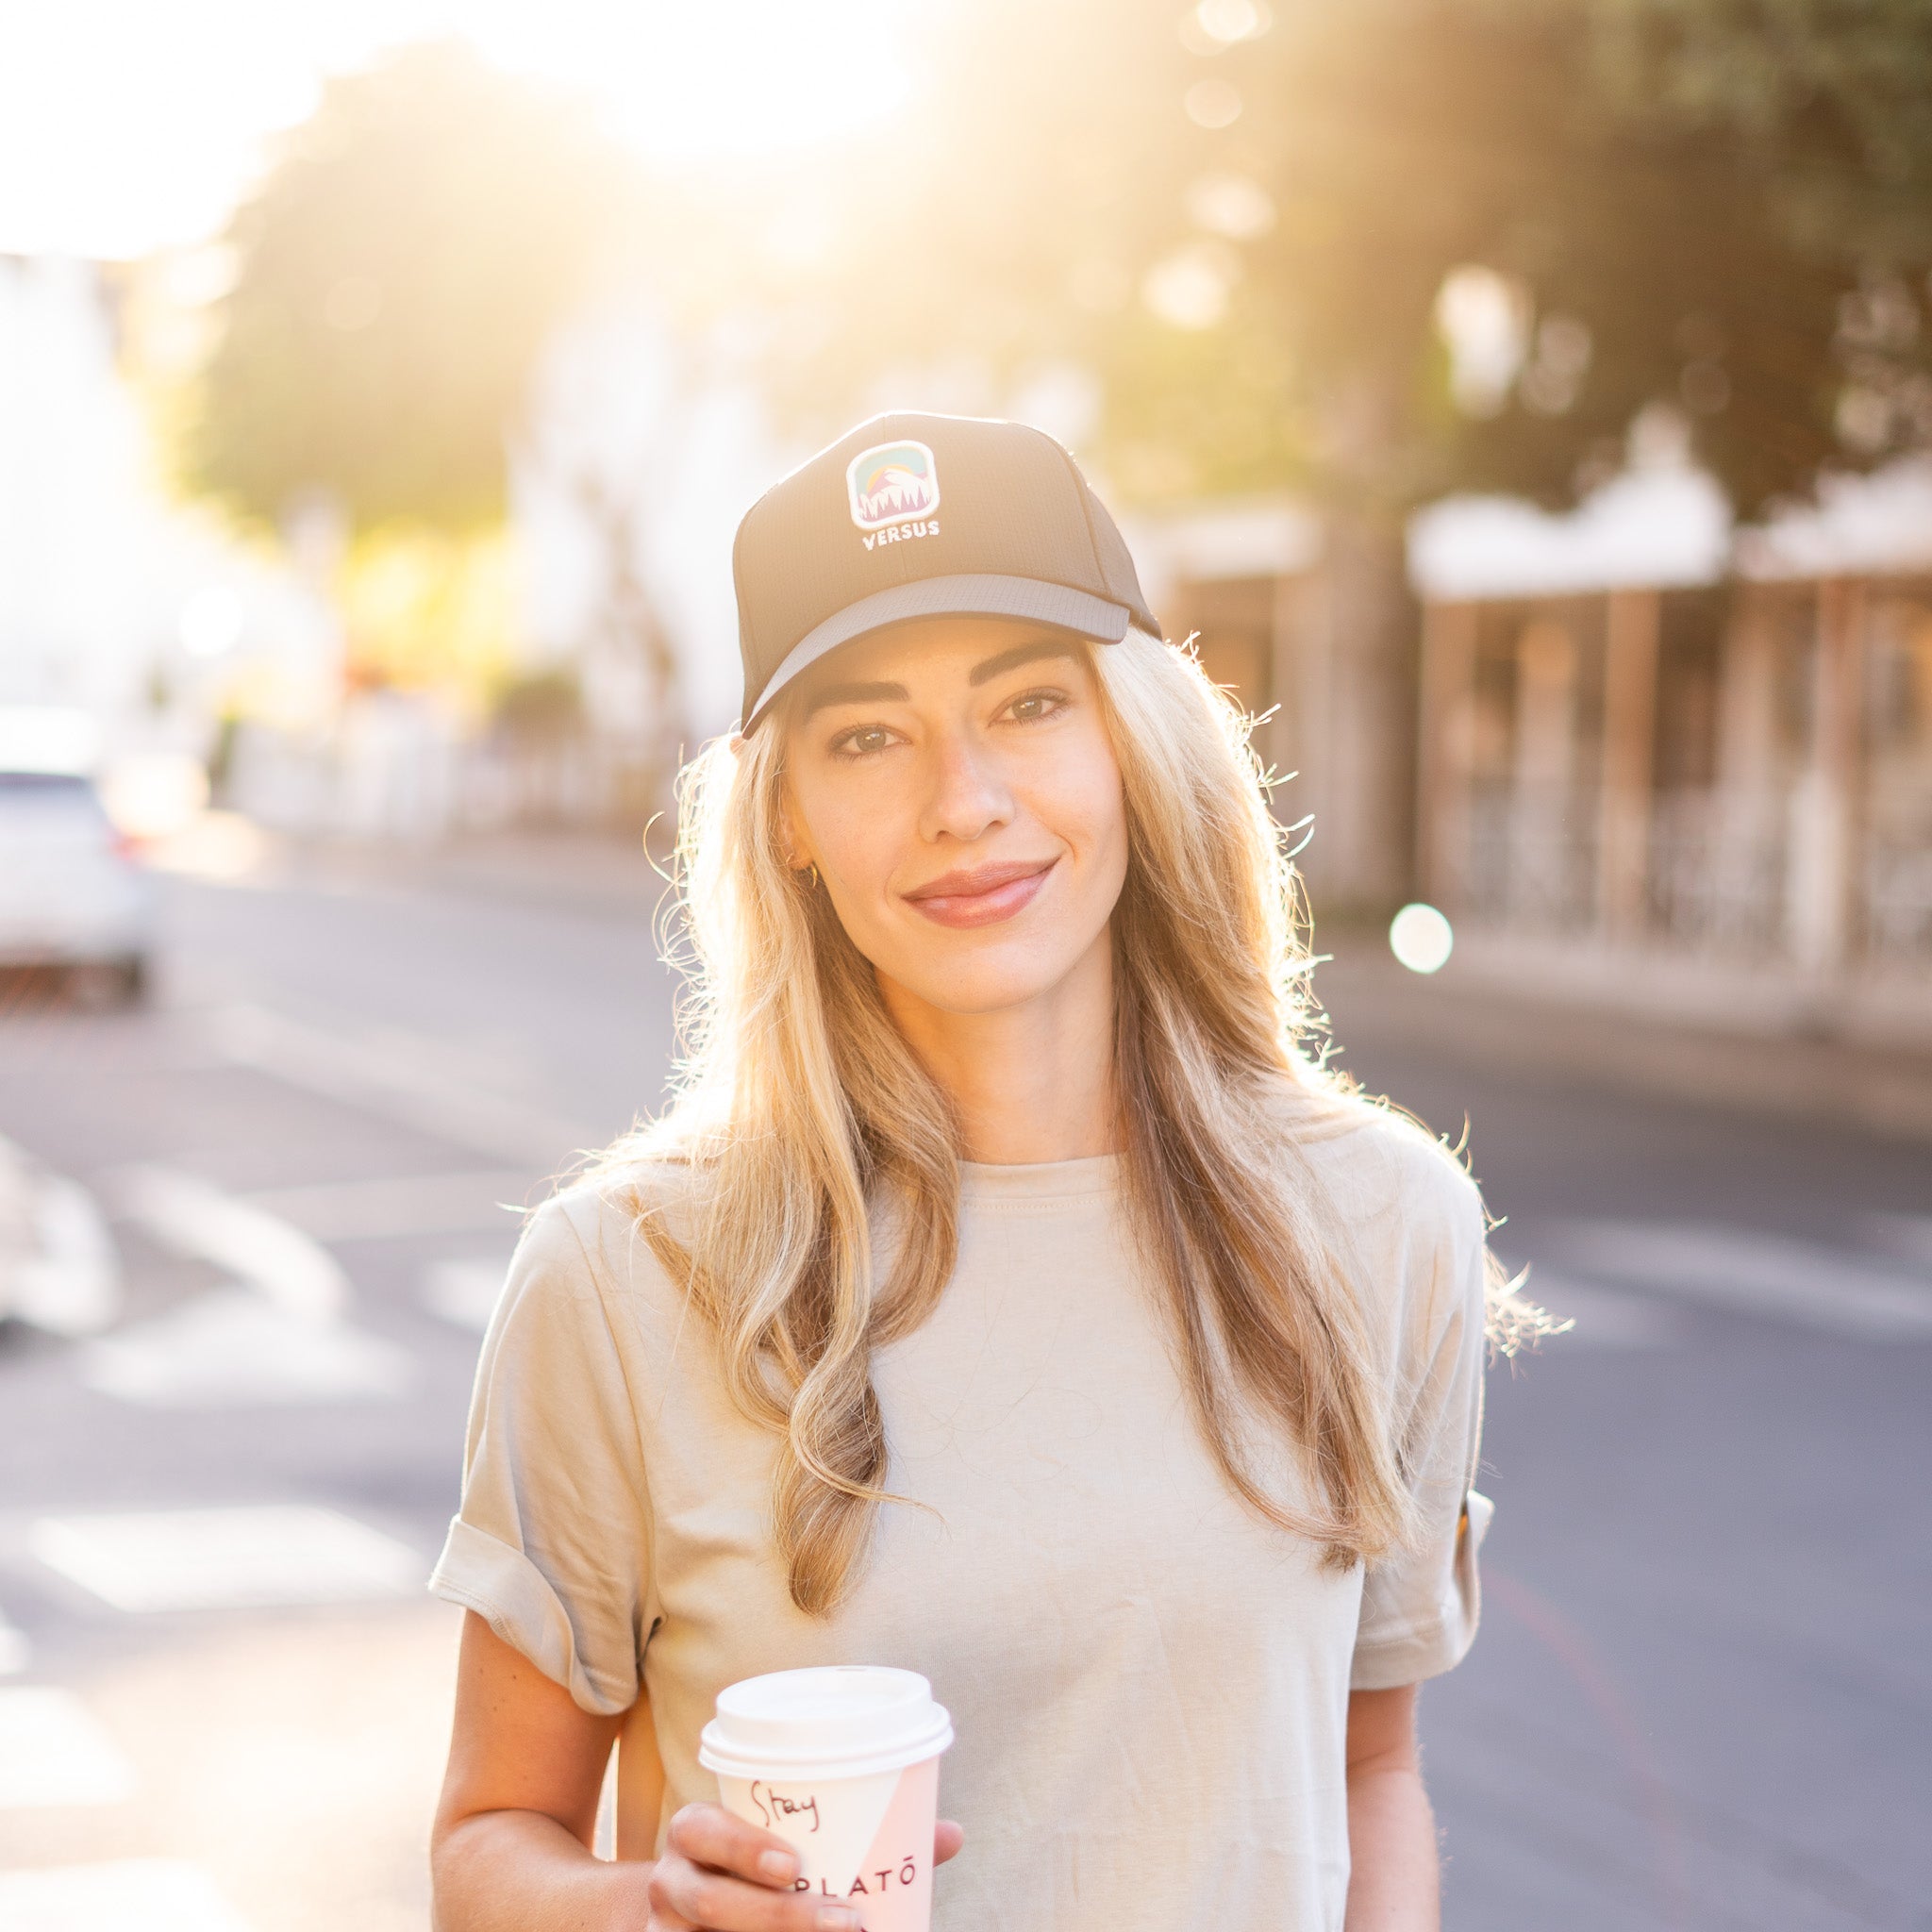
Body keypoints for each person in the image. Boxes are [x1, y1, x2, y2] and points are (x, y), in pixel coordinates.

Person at [429, 411, 1529, 1932]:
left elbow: (1366, 1772)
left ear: (1136, 744)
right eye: (867, 734)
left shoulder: (1383, 1222)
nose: (965, 799)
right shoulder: (626, 1274)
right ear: (793, 820)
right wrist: (644, 1914)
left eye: (1027, 703)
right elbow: (493, 1836)